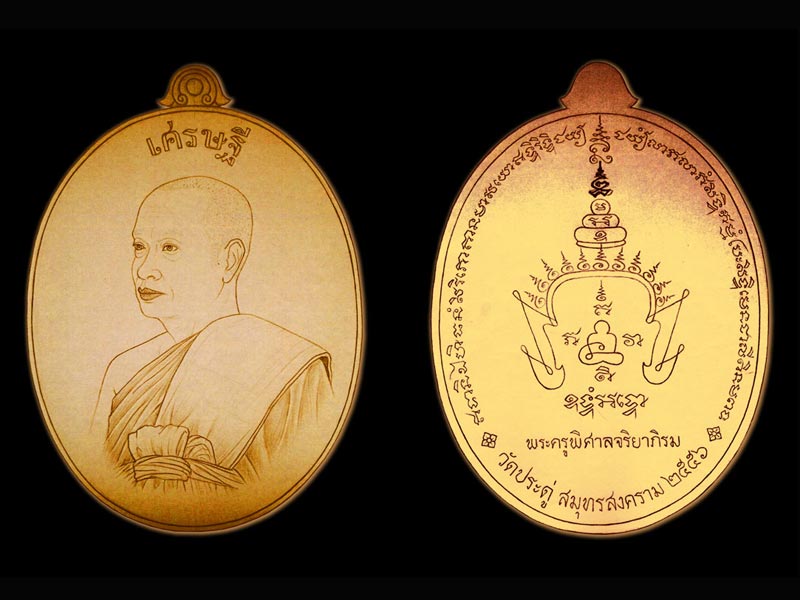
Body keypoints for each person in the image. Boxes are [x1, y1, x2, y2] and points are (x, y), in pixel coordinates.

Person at [91, 175, 338, 494]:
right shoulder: (123, 371)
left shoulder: (288, 366)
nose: (143, 269)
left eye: (169, 247)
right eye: (139, 247)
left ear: (229, 261)